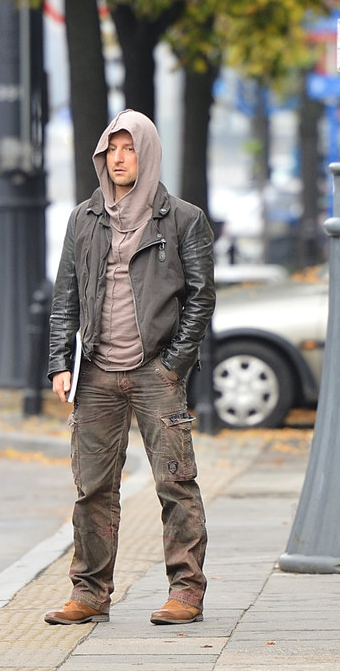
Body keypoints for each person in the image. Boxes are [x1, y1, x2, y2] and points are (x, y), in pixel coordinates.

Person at [43, 109, 216, 627]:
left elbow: (201, 298)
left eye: (129, 148)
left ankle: (186, 591)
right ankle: (90, 593)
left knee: (175, 482)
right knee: (92, 486)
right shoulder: (85, 218)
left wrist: (174, 365)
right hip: (96, 371)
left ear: (148, 154)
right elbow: (65, 297)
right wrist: (59, 361)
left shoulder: (183, 219)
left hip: (155, 371)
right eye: (110, 149)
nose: (118, 159)